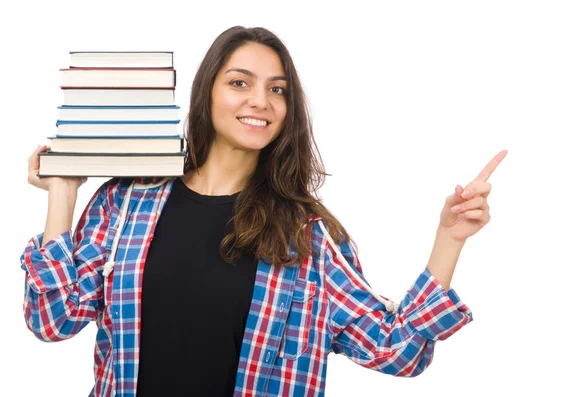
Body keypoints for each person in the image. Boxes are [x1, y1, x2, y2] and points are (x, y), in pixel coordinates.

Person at [21, 26, 507, 397]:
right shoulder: (126, 201)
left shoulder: (306, 236)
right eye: (240, 82)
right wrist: (62, 192)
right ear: (207, 91)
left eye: (278, 89)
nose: (261, 101)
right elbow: (52, 320)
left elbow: (396, 350)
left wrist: (450, 239)